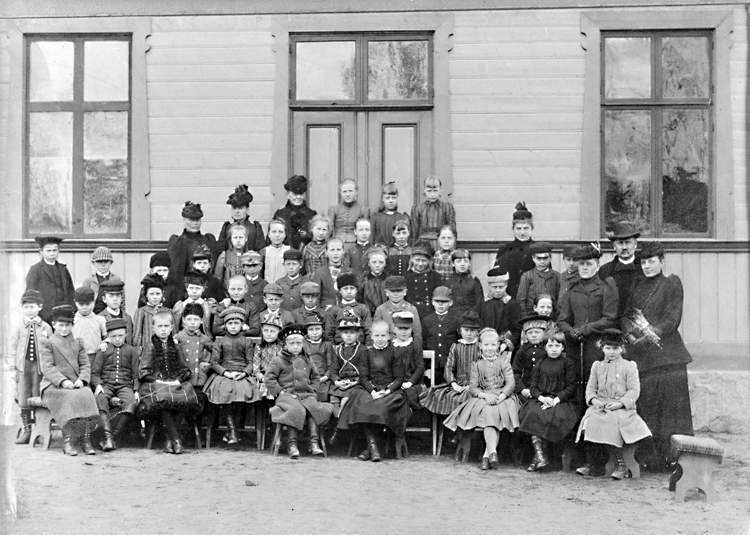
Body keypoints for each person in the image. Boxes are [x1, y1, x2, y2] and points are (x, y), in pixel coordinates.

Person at [622, 241, 694, 470]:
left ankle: (676, 458)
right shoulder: (637, 285)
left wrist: (648, 336)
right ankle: (651, 459)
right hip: (643, 358)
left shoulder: (671, 283)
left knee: (672, 412)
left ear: (662, 261)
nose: (646, 266)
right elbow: (626, 316)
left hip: (668, 357)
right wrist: (630, 335)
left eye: (651, 261)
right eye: (643, 262)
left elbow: (672, 318)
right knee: (648, 408)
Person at [575, 329, 651, 479]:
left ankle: (621, 465)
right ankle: (592, 462)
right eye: (607, 348)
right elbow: (590, 388)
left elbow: (634, 391)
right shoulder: (597, 366)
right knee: (589, 421)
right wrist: (593, 400)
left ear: (622, 348)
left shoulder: (629, 366)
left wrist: (620, 404)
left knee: (612, 422)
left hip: (622, 409)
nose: (611, 352)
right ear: (602, 348)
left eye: (615, 348)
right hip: (601, 406)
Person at [444, 328, 519, 470]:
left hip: (503, 396)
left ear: (498, 345)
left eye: (493, 345)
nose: (490, 348)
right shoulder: (476, 365)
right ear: (480, 346)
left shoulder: (504, 361)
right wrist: (484, 395)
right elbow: (473, 388)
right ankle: (491, 454)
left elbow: (511, 383)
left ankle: (487, 455)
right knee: (489, 412)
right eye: (486, 345)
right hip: (484, 396)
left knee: (493, 412)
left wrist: (500, 397)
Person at [336, 321, 409, 462]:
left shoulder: (395, 353)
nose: (380, 339)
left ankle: (369, 449)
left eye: (383, 335)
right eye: (377, 335)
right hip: (370, 390)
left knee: (380, 409)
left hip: (390, 391)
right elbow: (363, 377)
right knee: (362, 407)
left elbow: (399, 378)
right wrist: (373, 391)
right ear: (371, 336)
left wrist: (387, 391)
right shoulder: (366, 353)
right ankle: (374, 447)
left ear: (389, 336)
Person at [265, 324, 334, 458]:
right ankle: (292, 445)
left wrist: (313, 389)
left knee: (314, 408)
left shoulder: (307, 360)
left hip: (306, 394)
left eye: (299, 343)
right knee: (296, 409)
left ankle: (314, 443)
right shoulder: (278, 360)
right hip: (287, 395)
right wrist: (279, 392)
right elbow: (269, 378)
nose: (296, 347)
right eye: (292, 344)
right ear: (285, 344)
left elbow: (315, 377)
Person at [138, 311, 202, 454]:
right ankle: (176, 439)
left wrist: (177, 380)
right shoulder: (150, 345)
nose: (163, 330)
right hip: (156, 383)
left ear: (172, 327)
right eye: (160, 326)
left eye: (166, 326)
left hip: (173, 382)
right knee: (164, 399)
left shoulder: (176, 345)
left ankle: (169, 440)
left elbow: (184, 369)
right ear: (153, 328)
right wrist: (158, 380)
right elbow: (143, 371)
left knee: (184, 396)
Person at [39, 305, 100, 456]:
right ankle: (68, 442)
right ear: (53, 324)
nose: (64, 329)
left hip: (75, 383)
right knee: (70, 397)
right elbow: (47, 367)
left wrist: (82, 379)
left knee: (86, 394)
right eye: (61, 325)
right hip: (53, 385)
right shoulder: (48, 343)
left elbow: (85, 364)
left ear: (72, 325)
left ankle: (86, 440)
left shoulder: (78, 343)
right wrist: (62, 381)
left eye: (68, 325)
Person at [518, 329, 581, 472]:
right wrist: (541, 398)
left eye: (557, 346)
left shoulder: (567, 363)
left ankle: (538, 459)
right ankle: (541, 456)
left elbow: (571, 387)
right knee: (533, 412)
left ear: (563, 347)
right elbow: (533, 387)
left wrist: (555, 400)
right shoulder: (540, 363)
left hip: (562, 401)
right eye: (550, 346)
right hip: (542, 398)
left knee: (555, 415)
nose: (554, 349)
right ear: (545, 347)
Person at [557, 243, 619, 387]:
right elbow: (562, 320)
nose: (584, 268)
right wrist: (571, 331)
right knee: (575, 383)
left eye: (589, 264)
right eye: (581, 264)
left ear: (597, 266)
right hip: (574, 345)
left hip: (597, 344)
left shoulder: (605, 287)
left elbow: (610, 318)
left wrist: (586, 329)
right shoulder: (571, 289)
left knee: (596, 381)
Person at [203, 306, 259, 445]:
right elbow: (214, 362)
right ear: (225, 325)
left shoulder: (246, 341)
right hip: (224, 374)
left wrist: (244, 373)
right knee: (224, 391)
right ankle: (233, 431)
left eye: (236, 323)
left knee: (244, 392)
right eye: (230, 323)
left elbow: (251, 362)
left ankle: (232, 431)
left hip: (242, 374)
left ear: (242, 325)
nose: (233, 326)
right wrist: (226, 373)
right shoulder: (220, 341)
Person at [420, 310, 481, 420]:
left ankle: (464, 428)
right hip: (459, 384)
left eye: (472, 330)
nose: (469, 333)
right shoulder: (456, 347)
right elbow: (448, 368)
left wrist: (473, 385)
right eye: (466, 330)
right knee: (441, 396)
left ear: (478, 332)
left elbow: (485, 369)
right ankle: (449, 428)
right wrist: (454, 384)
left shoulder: (480, 347)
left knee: (468, 397)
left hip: (477, 385)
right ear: (460, 331)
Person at [90, 318, 140, 451]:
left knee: (131, 402)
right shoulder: (103, 351)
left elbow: (136, 374)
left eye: (120, 335)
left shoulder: (131, 351)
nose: (117, 339)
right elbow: (95, 373)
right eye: (113, 336)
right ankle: (107, 437)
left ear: (126, 334)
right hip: (106, 385)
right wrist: (98, 385)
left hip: (125, 385)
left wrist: (136, 390)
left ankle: (112, 437)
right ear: (108, 336)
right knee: (101, 398)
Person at [11, 289, 52, 445]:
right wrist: (14, 368)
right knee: (24, 398)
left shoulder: (46, 327)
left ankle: (39, 429)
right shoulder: (19, 327)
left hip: (39, 369)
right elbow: (14, 347)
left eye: (32, 307)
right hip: (24, 368)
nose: (29, 310)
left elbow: (51, 348)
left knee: (38, 397)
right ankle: (27, 430)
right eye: (26, 307)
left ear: (39, 307)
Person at [167, 201, 219, 290]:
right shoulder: (177, 242)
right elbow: (175, 272)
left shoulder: (208, 240)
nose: (195, 223)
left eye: (197, 220)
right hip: (184, 288)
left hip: (206, 287)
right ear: (184, 220)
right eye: (191, 220)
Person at [25, 236, 76, 325]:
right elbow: (31, 294)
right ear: (41, 251)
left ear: (58, 250)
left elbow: (71, 292)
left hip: (63, 313)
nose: (52, 254)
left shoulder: (63, 269)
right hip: (45, 315)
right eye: (48, 251)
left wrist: (73, 310)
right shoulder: (36, 269)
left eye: (54, 250)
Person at [493, 202, 536, 299]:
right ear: (513, 229)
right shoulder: (504, 249)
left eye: (526, 228)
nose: (522, 232)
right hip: (509, 298)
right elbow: (496, 278)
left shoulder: (538, 248)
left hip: (531, 298)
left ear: (532, 228)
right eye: (518, 228)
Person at [599, 221, 641, 321]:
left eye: (628, 242)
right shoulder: (605, 270)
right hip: (612, 324)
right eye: (620, 243)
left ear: (635, 244)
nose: (624, 247)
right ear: (614, 246)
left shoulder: (644, 268)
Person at [373, 275, 423, 353]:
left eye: (399, 291)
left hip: (407, 350)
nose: (396, 294)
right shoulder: (381, 310)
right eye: (392, 291)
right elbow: (377, 333)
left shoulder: (411, 309)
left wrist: (416, 351)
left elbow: (417, 334)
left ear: (405, 292)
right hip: (386, 351)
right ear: (386, 292)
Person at [422, 286, 461, 380]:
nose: (440, 304)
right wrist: (426, 367)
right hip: (433, 365)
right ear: (432, 302)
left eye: (444, 301)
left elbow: (458, 343)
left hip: (450, 365)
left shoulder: (456, 320)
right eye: (437, 301)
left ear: (450, 302)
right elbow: (424, 344)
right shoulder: (427, 320)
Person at [479, 265, 521, 351]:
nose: (498, 290)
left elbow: (517, 329)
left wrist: (506, 344)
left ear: (506, 286)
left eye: (501, 287)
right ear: (489, 286)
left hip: (504, 348)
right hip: (485, 346)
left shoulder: (512, 304)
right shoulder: (482, 303)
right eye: (494, 287)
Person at [410, 175, 457, 253]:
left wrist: (451, 252)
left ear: (440, 189)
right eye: (429, 191)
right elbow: (414, 234)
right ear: (424, 189)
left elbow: (453, 232)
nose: (432, 194)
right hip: (422, 247)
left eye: (435, 191)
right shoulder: (417, 209)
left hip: (441, 247)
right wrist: (414, 251)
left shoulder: (447, 208)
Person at [516, 242, 563, 317]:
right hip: (531, 316)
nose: (542, 262)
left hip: (552, 317)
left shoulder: (557, 276)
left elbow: (560, 301)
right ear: (533, 258)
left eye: (545, 258)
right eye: (539, 258)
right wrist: (525, 318)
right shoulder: (527, 276)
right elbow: (521, 300)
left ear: (550, 258)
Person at [324, 273, 372, 345]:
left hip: (360, 346)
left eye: (352, 288)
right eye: (345, 288)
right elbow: (328, 333)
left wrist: (368, 346)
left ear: (356, 290)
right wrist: (332, 348)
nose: (349, 292)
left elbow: (369, 330)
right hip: (339, 346)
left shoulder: (363, 308)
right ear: (340, 291)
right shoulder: (333, 310)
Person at [513, 314, 550, 405]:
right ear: (525, 335)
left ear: (545, 333)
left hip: (546, 389)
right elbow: (515, 372)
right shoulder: (522, 350)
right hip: (527, 389)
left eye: (537, 332)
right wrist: (522, 389)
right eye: (530, 332)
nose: (533, 335)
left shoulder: (548, 349)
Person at [273, 175, 318, 250]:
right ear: (287, 195)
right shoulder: (280, 215)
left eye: (301, 194)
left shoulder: (312, 215)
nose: (298, 197)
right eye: (295, 194)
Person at [217, 184, 265, 253]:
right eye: (234, 208)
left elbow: (261, 251)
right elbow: (221, 251)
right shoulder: (227, 228)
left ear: (247, 210)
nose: (236, 211)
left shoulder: (255, 228)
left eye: (240, 208)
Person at [392, 311, 425, 410]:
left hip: (412, 384)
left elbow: (420, 367)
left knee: (406, 396)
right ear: (394, 329)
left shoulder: (415, 345)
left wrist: (410, 382)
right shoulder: (391, 346)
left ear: (411, 329)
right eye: (400, 328)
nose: (403, 332)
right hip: (395, 383)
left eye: (406, 329)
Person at [132, 274, 173, 351]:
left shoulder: (168, 311)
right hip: (147, 350)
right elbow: (137, 333)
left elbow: (173, 333)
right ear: (146, 295)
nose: (155, 297)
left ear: (162, 294)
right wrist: (137, 350)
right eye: (151, 294)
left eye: (158, 294)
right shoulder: (141, 311)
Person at [328, 178, 370, 251]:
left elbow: (366, 232)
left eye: (350, 191)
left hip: (356, 247)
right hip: (337, 246)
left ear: (356, 192)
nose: (347, 194)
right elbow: (329, 232)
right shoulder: (334, 209)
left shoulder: (363, 210)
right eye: (344, 191)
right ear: (340, 193)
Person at [81, 246, 125, 315]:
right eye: (99, 262)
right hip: (94, 314)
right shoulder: (89, 280)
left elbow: (122, 300)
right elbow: (83, 299)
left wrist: (122, 314)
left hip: (112, 314)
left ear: (111, 262)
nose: (103, 264)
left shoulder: (116, 279)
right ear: (94, 263)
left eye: (106, 261)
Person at [405, 242, 441, 322]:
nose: (420, 264)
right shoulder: (405, 276)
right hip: (410, 314)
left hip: (430, 314)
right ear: (411, 259)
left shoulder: (435, 277)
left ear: (429, 261)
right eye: (417, 260)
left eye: (424, 260)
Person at [72, 287, 108, 365]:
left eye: (88, 304)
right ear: (75, 302)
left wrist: (104, 343)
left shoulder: (100, 320)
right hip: (76, 358)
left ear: (94, 302)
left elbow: (108, 337)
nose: (84, 307)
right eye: (81, 304)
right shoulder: (72, 321)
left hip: (96, 357)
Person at [311, 238, 350, 309]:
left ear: (343, 251)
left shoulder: (349, 272)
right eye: (332, 250)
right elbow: (316, 298)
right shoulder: (320, 272)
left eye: (338, 250)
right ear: (326, 252)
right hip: (325, 312)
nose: (335, 253)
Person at [303, 313, 334, 402]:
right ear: (307, 331)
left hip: (323, 378)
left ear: (322, 330)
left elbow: (331, 365)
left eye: (317, 329)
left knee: (323, 393)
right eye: (311, 330)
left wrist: (325, 377)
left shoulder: (327, 345)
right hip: (307, 378)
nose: (314, 333)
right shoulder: (303, 345)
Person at [172, 270, 213, 338]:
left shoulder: (208, 306)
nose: (194, 291)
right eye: (191, 288)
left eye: (197, 288)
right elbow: (175, 327)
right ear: (186, 288)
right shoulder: (181, 305)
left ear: (203, 289)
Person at [252, 315, 284, 400]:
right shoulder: (259, 346)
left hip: (277, 378)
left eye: (272, 331)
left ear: (278, 332)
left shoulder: (281, 348)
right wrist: (261, 377)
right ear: (262, 330)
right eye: (266, 330)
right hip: (262, 377)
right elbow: (255, 367)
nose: (268, 334)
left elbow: (283, 366)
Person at [371, 182, 410, 248]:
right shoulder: (376, 217)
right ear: (382, 199)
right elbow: (371, 239)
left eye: (393, 198)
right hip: (380, 251)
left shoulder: (401, 217)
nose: (391, 201)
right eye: (387, 198)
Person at [447, 249, 483, 316]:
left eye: (466, 261)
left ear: (469, 263)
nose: (462, 264)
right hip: (452, 318)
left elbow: (479, 304)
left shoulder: (474, 282)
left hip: (470, 318)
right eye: (459, 261)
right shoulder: (448, 282)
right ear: (453, 263)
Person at [98, 280, 133, 346]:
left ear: (121, 298)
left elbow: (130, 341)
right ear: (104, 299)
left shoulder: (127, 318)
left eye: (118, 295)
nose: (115, 299)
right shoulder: (99, 318)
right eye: (111, 296)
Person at [214, 223, 250, 289]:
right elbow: (218, 278)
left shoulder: (249, 256)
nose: (238, 240)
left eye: (241, 237)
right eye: (235, 237)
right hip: (227, 292)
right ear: (231, 239)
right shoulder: (224, 256)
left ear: (246, 239)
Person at [359, 246, 389, 315]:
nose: (377, 265)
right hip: (367, 316)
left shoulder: (389, 280)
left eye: (381, 262)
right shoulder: (363, 281)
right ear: (368, 263)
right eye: (374, 262)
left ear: (385, 263)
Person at [261, 219, 291, 284]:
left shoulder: (289, 251)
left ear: (285, 234)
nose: (277, 235)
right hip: (268, 287)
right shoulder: (264, 252)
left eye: (280, 232)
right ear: (269, 234)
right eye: (274, 232)